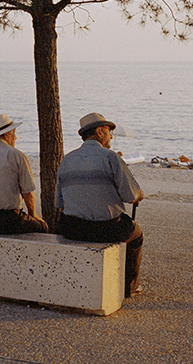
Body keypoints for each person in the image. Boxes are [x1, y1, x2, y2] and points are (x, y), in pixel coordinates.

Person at [55, 112, 145, 298]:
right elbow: (131, 195)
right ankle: (130, 287)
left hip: (73, 228)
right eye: (109, 132)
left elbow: (59, 202)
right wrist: (139, 195)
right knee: (136, 235)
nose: (111, 136)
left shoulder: (67, 160)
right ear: (100, 132)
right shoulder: (110, 157)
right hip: (106, 229)